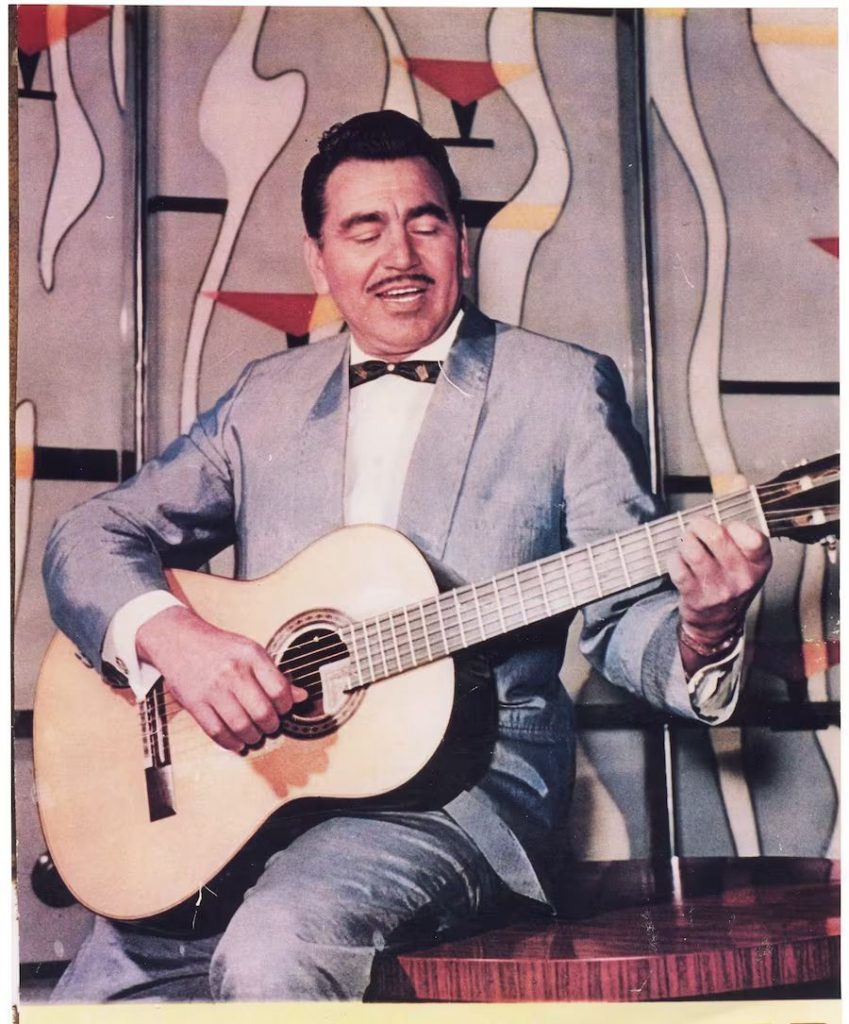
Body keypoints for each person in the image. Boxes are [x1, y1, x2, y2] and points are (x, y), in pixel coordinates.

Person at [43, 110, 772, 1002]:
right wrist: (177, 640)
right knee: (96, 991)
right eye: (364, 229)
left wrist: (703, 628)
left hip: (457, 798)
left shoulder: (560, 389)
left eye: (424, 222)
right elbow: (88, 536)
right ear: (319, 261)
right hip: (251, 788)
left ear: (461, 238)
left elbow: (622, 618)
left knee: (277, 946)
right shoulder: (265, 396)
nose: (400, 255)